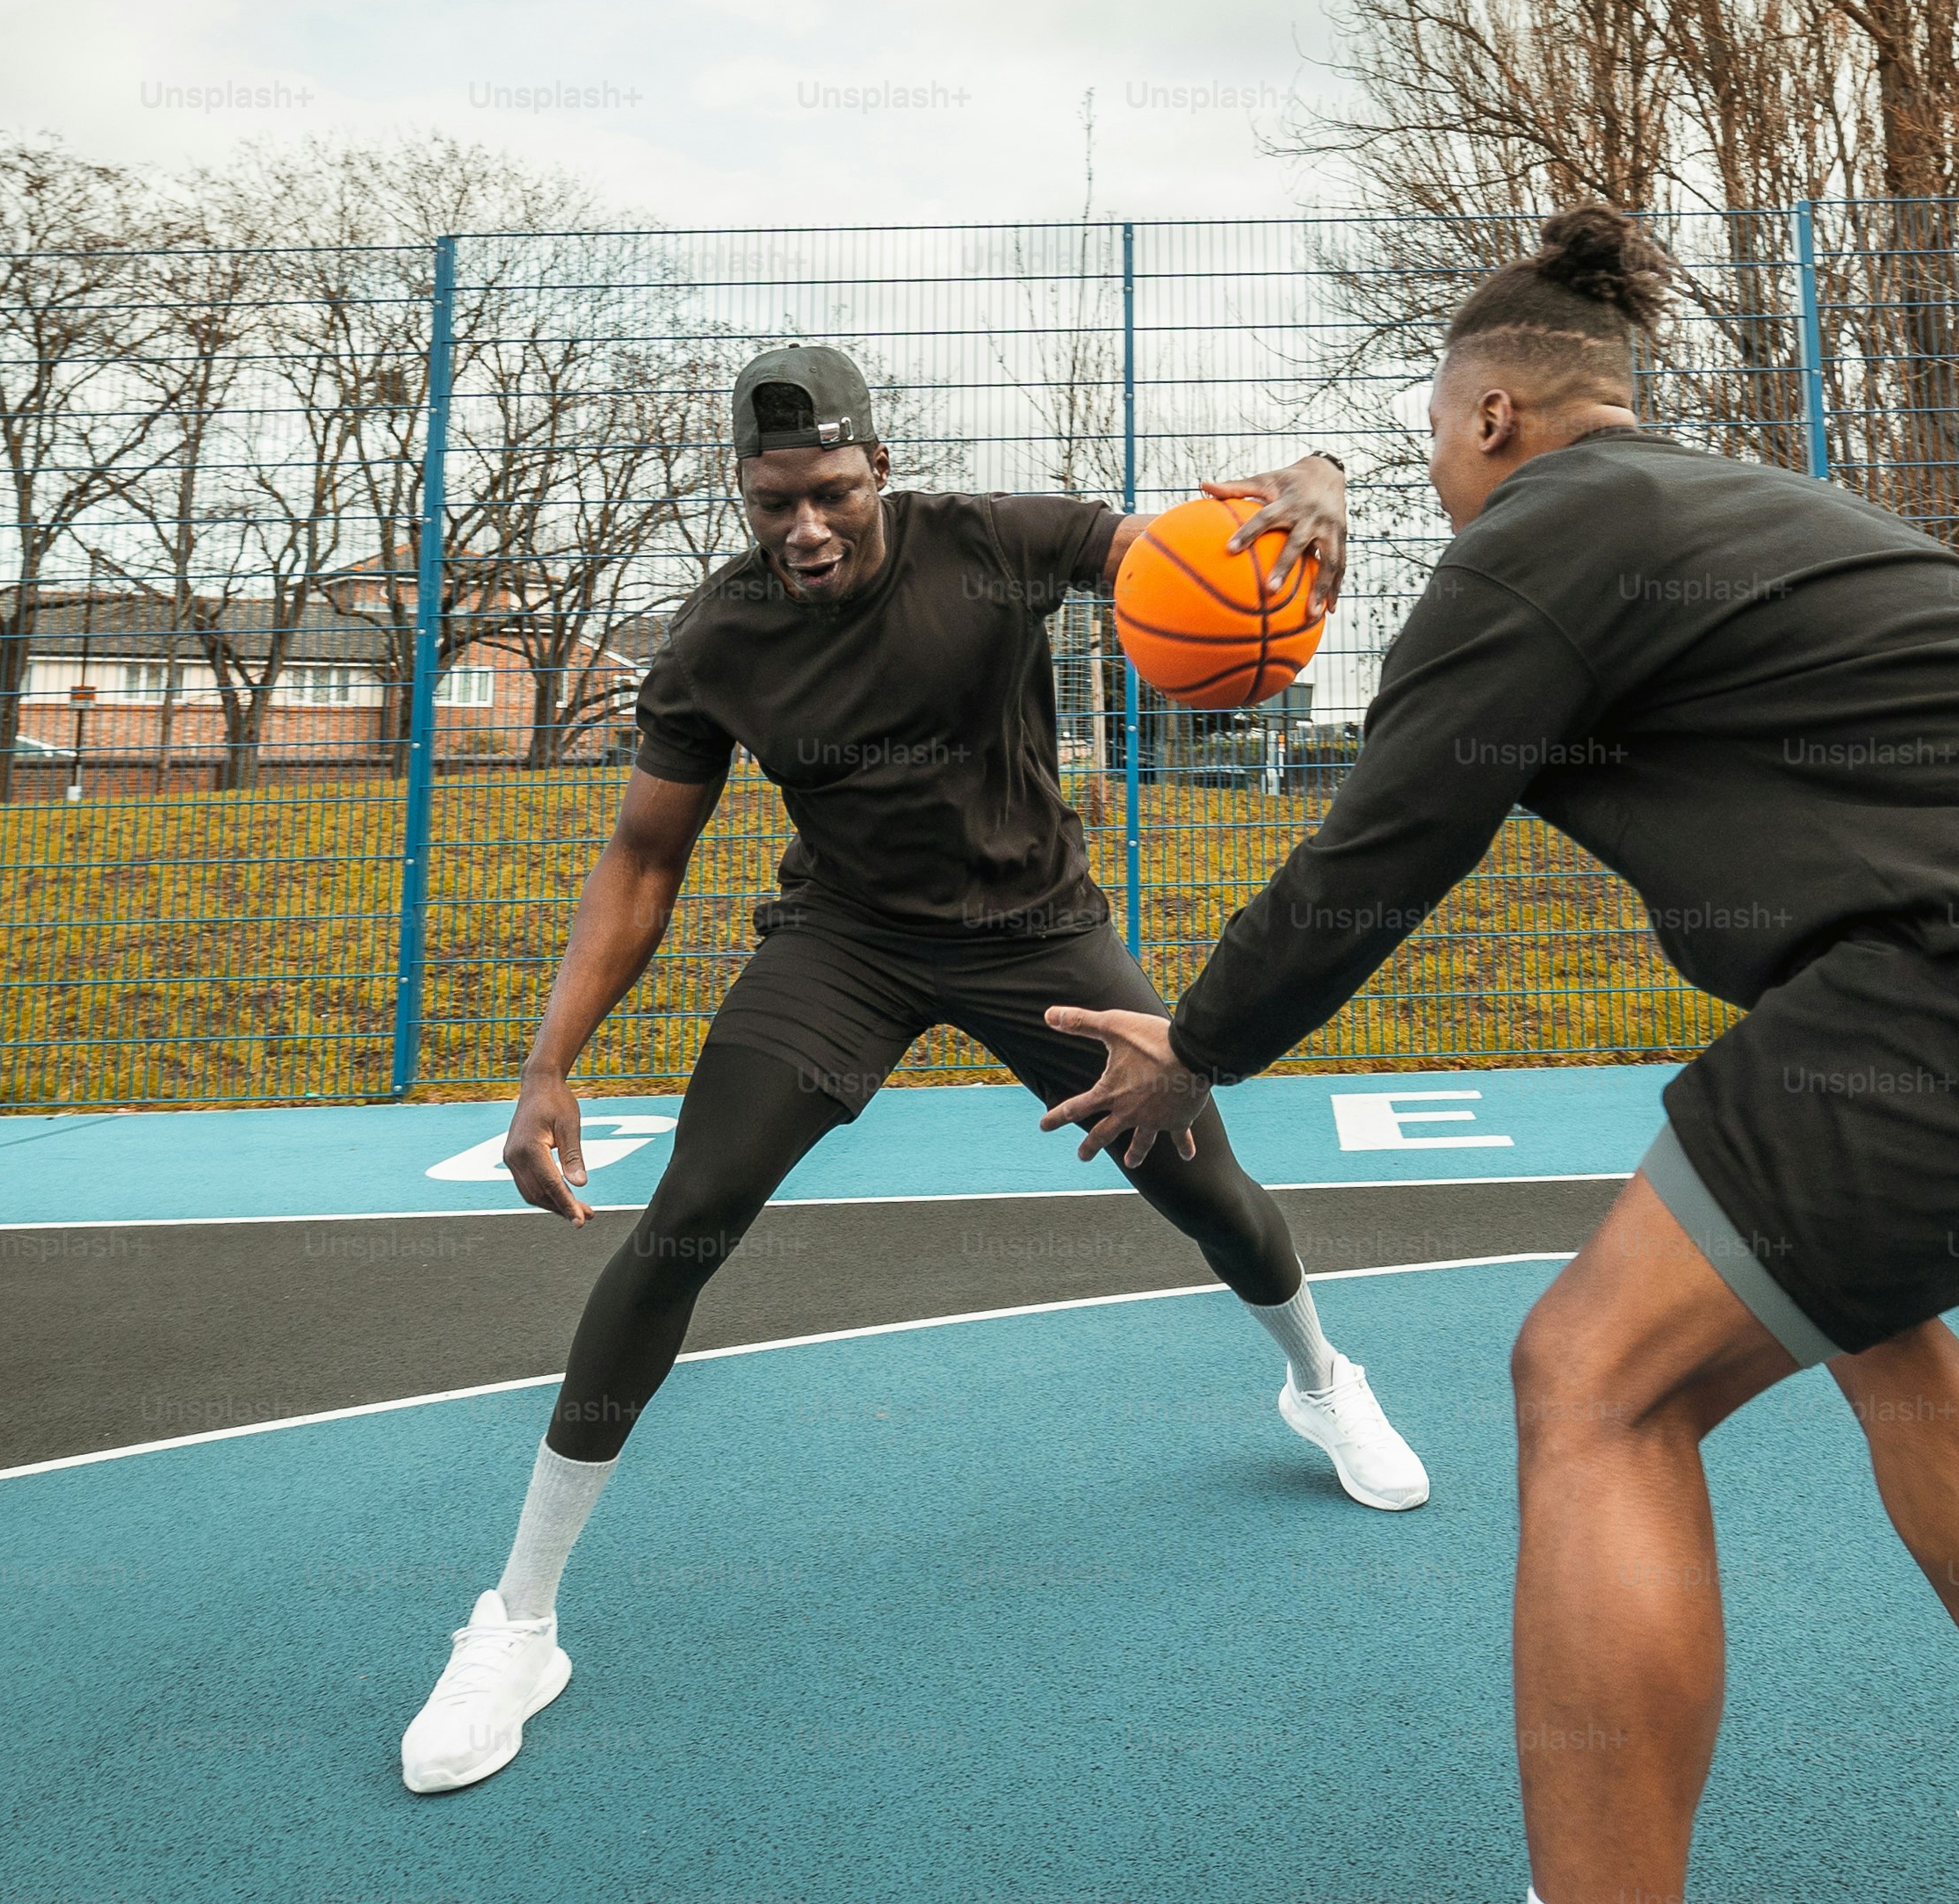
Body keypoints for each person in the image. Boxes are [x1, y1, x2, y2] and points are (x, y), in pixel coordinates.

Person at [1045, 207, 1959, 1904]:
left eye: (1436, 436)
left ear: (1495, 418)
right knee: (1878, 1332)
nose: (1429, 480)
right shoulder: (1720, 510)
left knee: (1594, 1382)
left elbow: (1380, 849)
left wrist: (1197, 1044)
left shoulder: (1540, 549)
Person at [397, 344, 1429, 1796]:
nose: (803, 529)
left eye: (827, 494)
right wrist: (548, 1063)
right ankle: (516, 1623)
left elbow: (1171, 545)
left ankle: (1321, 1379)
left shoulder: (992, 544)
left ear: (877, 465)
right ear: (744, 498)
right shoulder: (722, 639)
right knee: (682, 1221)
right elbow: (643, 855)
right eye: (772, 506)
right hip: (848, 942)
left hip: (1039, 933)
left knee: (1205, 1189)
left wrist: (1315, 481)